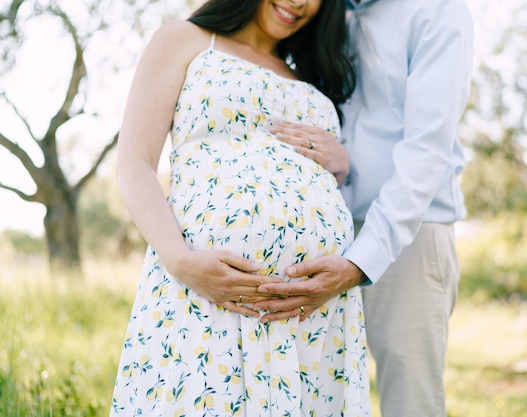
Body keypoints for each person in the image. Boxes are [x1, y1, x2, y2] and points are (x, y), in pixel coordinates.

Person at [109, 0, 371, 415]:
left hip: (314, 314)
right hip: (208, 292)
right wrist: (180, 261)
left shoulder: (312, 77)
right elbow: (134, 164)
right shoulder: (184, 40)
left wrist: (339, 167)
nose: (299, 2)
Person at [253, 0, 474, 416]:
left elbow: (426, 151)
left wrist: (360, 262)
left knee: (409, 401)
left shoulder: (440, 11)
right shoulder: (318, 10)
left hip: (411, 232)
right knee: (318, 390)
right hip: (326, 227)